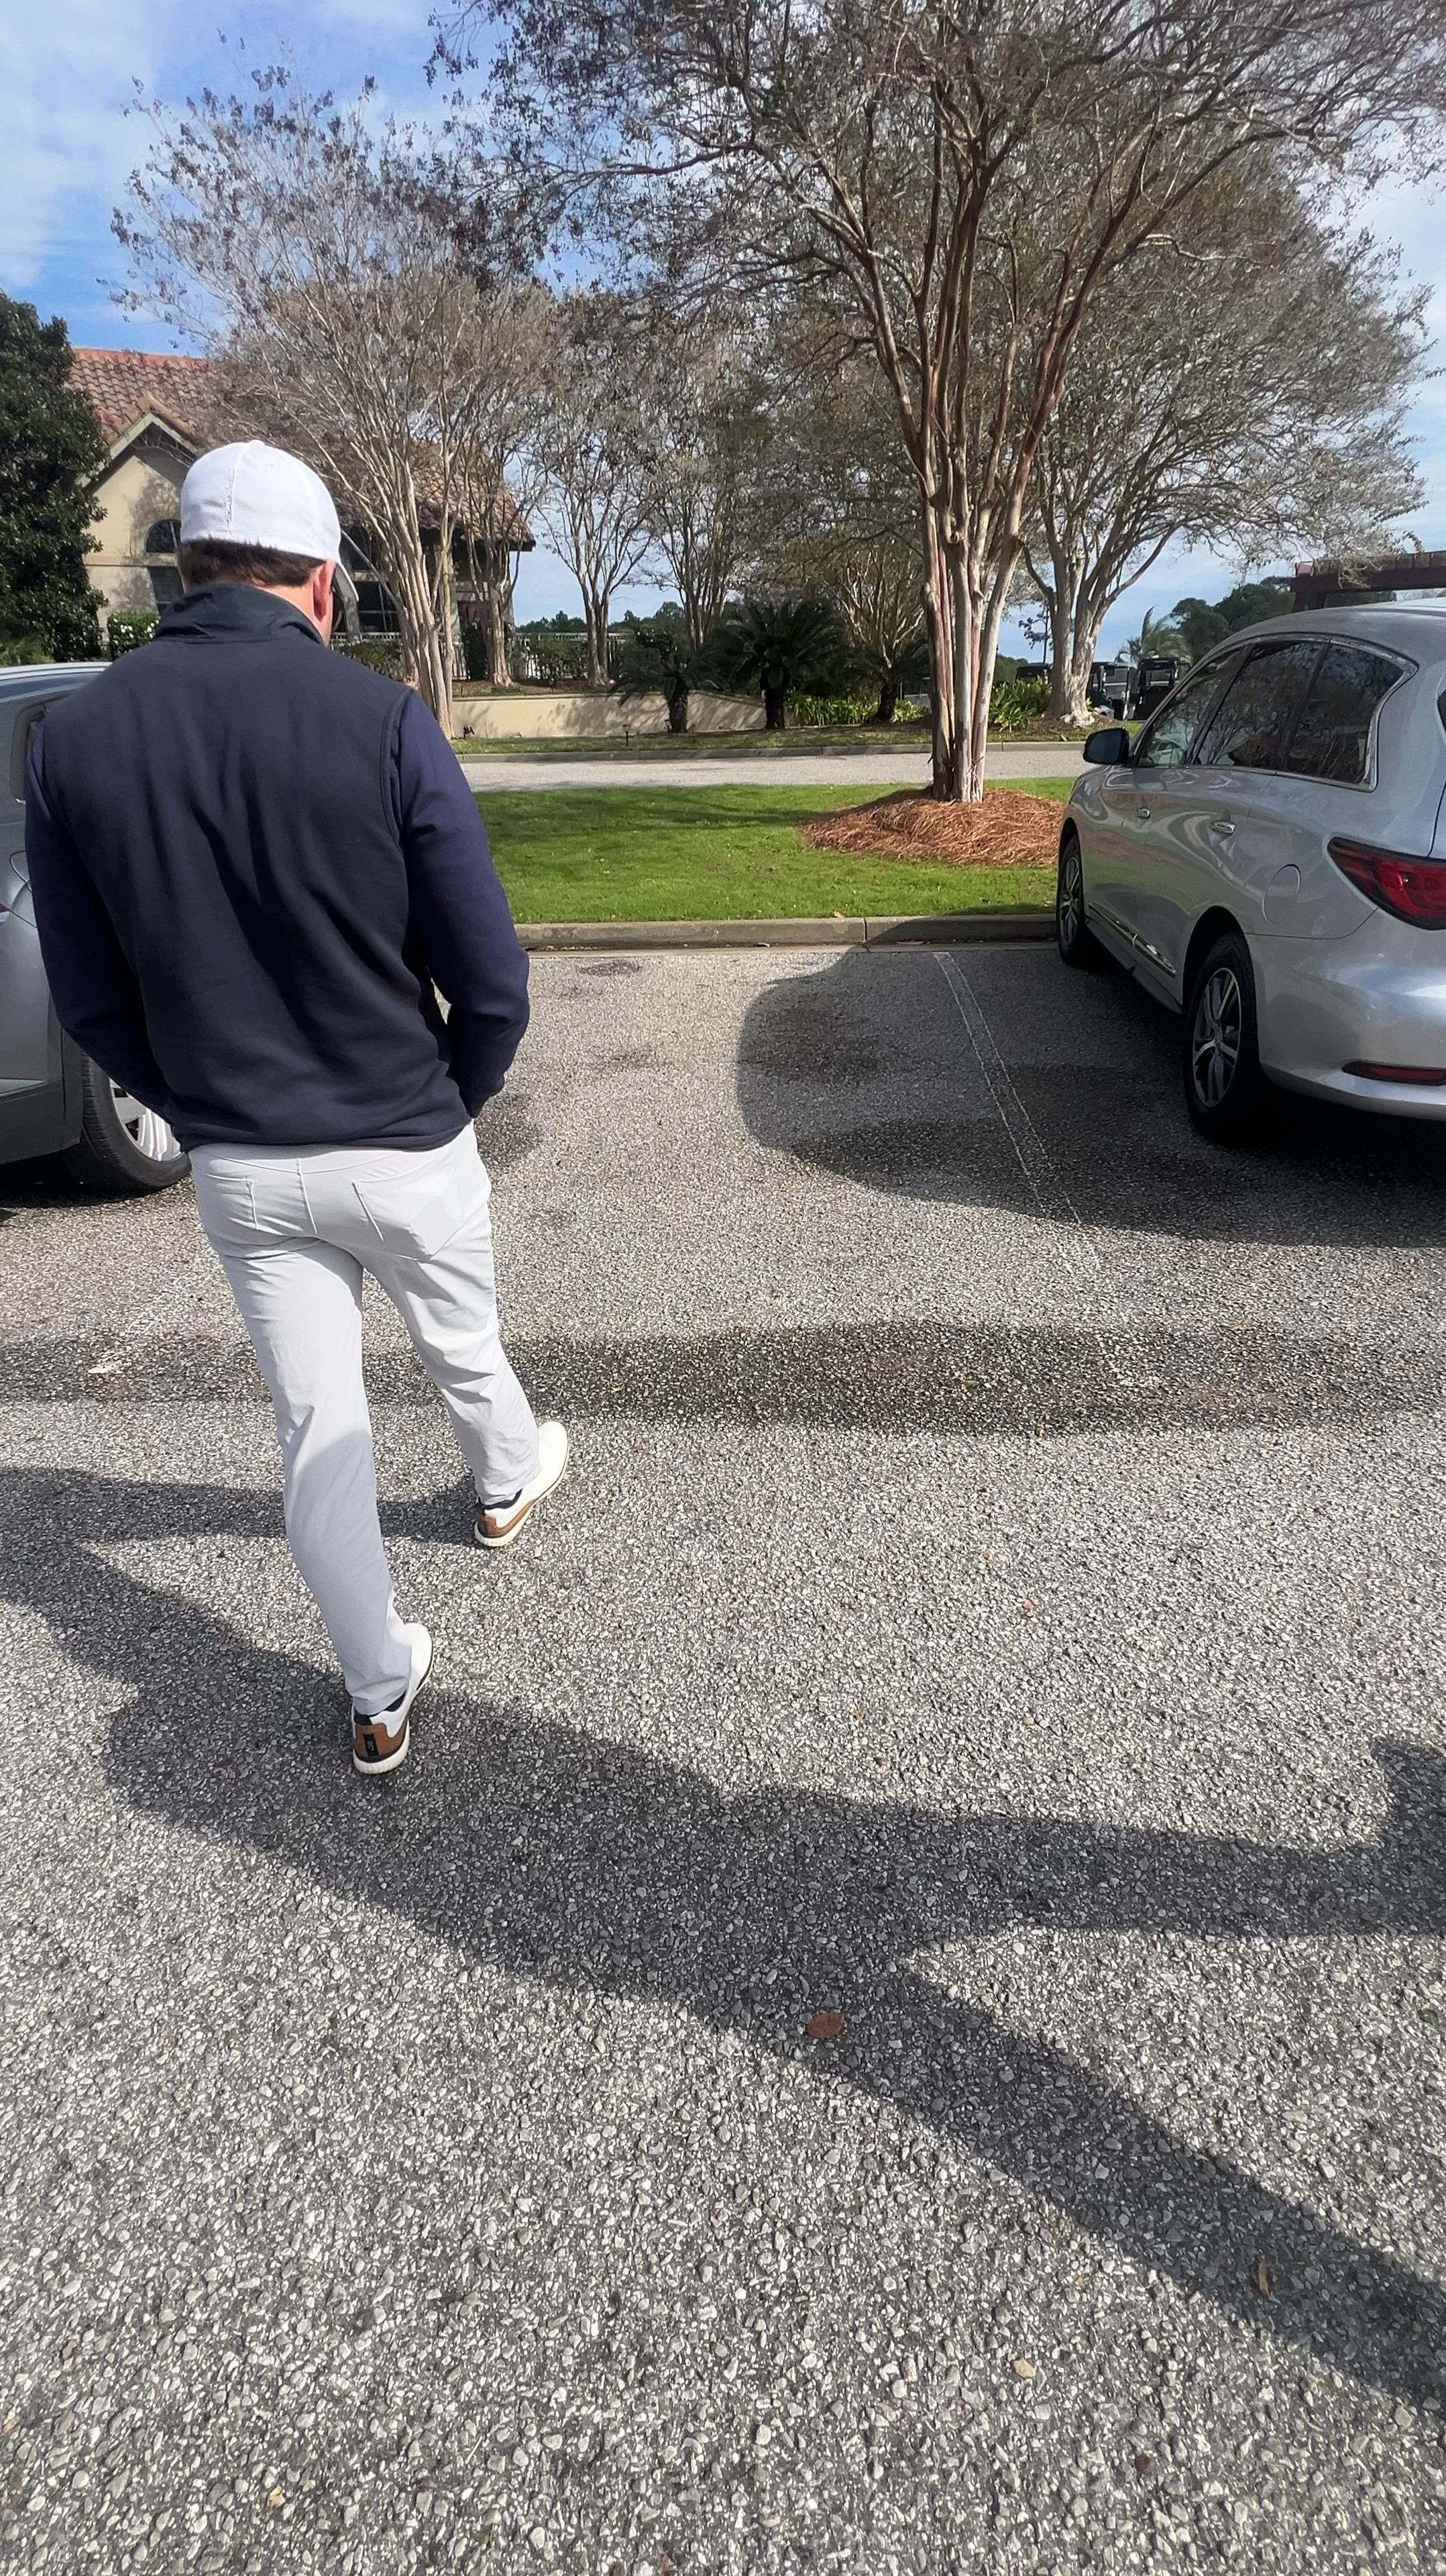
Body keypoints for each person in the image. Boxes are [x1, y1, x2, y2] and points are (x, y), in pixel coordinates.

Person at [25, 439, 567, 1778]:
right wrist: (451, 1100)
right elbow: (492, 981)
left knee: (318, 1425)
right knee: (460, 1334)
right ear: (324, 582)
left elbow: (89, 1001)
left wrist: (194, 1107)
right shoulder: (382, 719)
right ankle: (505, 1483)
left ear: (180, 570)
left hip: (242, 1161)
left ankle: (378, 1688)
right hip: (403, 1132)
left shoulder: (75, 736)